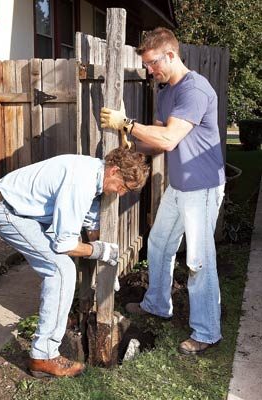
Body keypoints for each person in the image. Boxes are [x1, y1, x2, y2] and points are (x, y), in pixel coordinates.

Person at [100, 27, 226, 356]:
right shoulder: (165, 91)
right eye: (147, 66)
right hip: (180, 185)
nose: (150, 70)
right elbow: (158, 141)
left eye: (153, 63)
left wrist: (126, 123)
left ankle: (207, 331)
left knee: (199, 261)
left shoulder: (195, 89)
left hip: (203, 187)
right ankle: (157, 304)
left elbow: (170, 138)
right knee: (158, 244)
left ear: (170, 54)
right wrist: (132, 146)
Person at [0, 147, 149, 377]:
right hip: (4, 208)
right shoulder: (80, 182)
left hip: (27, 212)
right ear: (115, 170)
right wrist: (99, 251)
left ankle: (53, 326)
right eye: (123, 187)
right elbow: (66, 245)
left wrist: (108, 264)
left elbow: (91, 225)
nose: (120, 193)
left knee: (60, 268)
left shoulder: (96, 175)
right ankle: (43, 356)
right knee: (60, 270)